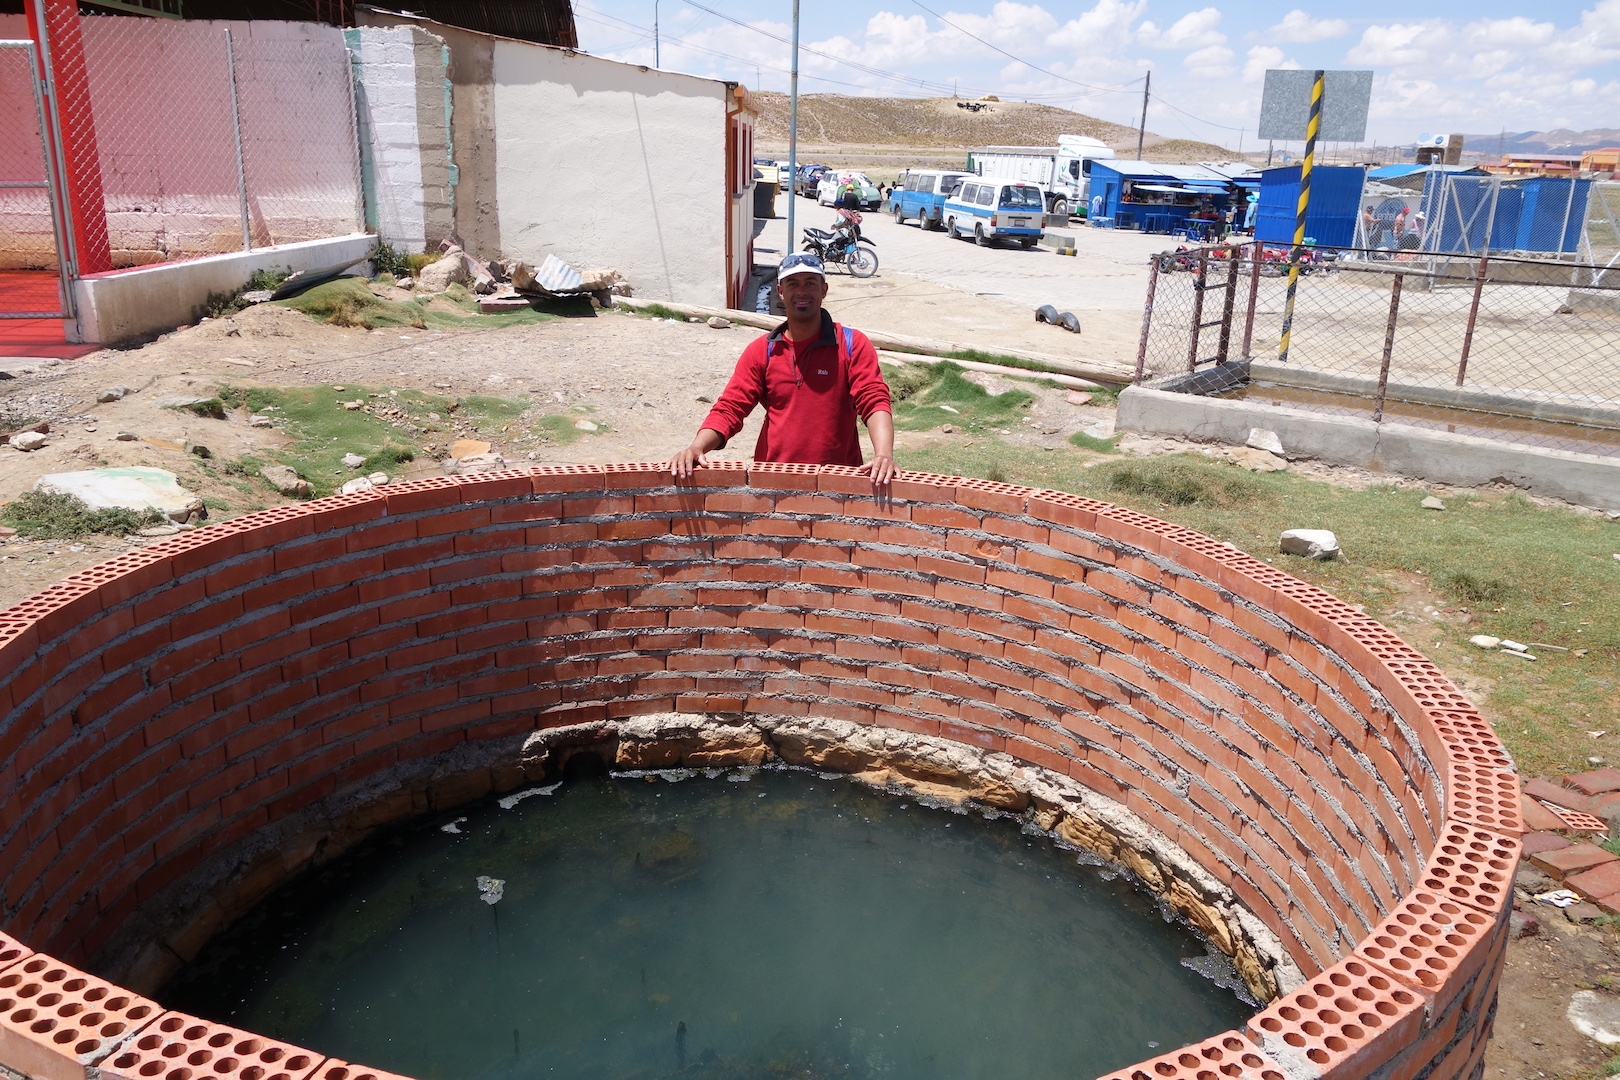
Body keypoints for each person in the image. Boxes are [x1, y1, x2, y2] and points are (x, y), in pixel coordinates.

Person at [668, 252, 895, 488]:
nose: (802, 291)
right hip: (772, 484)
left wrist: (884, 455)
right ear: (780, 291)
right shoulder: (762, 351)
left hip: (837, 484)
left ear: (824, 290)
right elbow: (731, 407)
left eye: (810, 283)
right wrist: (697, 447)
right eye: (793, 284)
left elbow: (874, 398)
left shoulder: (851, 344)